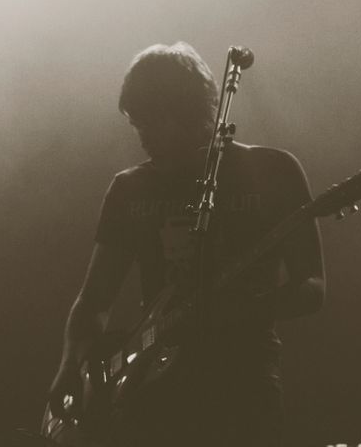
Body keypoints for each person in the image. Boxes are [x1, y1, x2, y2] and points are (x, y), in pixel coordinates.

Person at [46, 42, 325, 447]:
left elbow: (313, 286)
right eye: (135, 125)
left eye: (150, 124)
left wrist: (239, 309)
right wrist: (70, 362)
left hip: (245, 385)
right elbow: (94, 301)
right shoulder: (130, 189)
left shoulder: (272, 172)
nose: (141, 138)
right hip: (152, 394)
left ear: (186, 112)